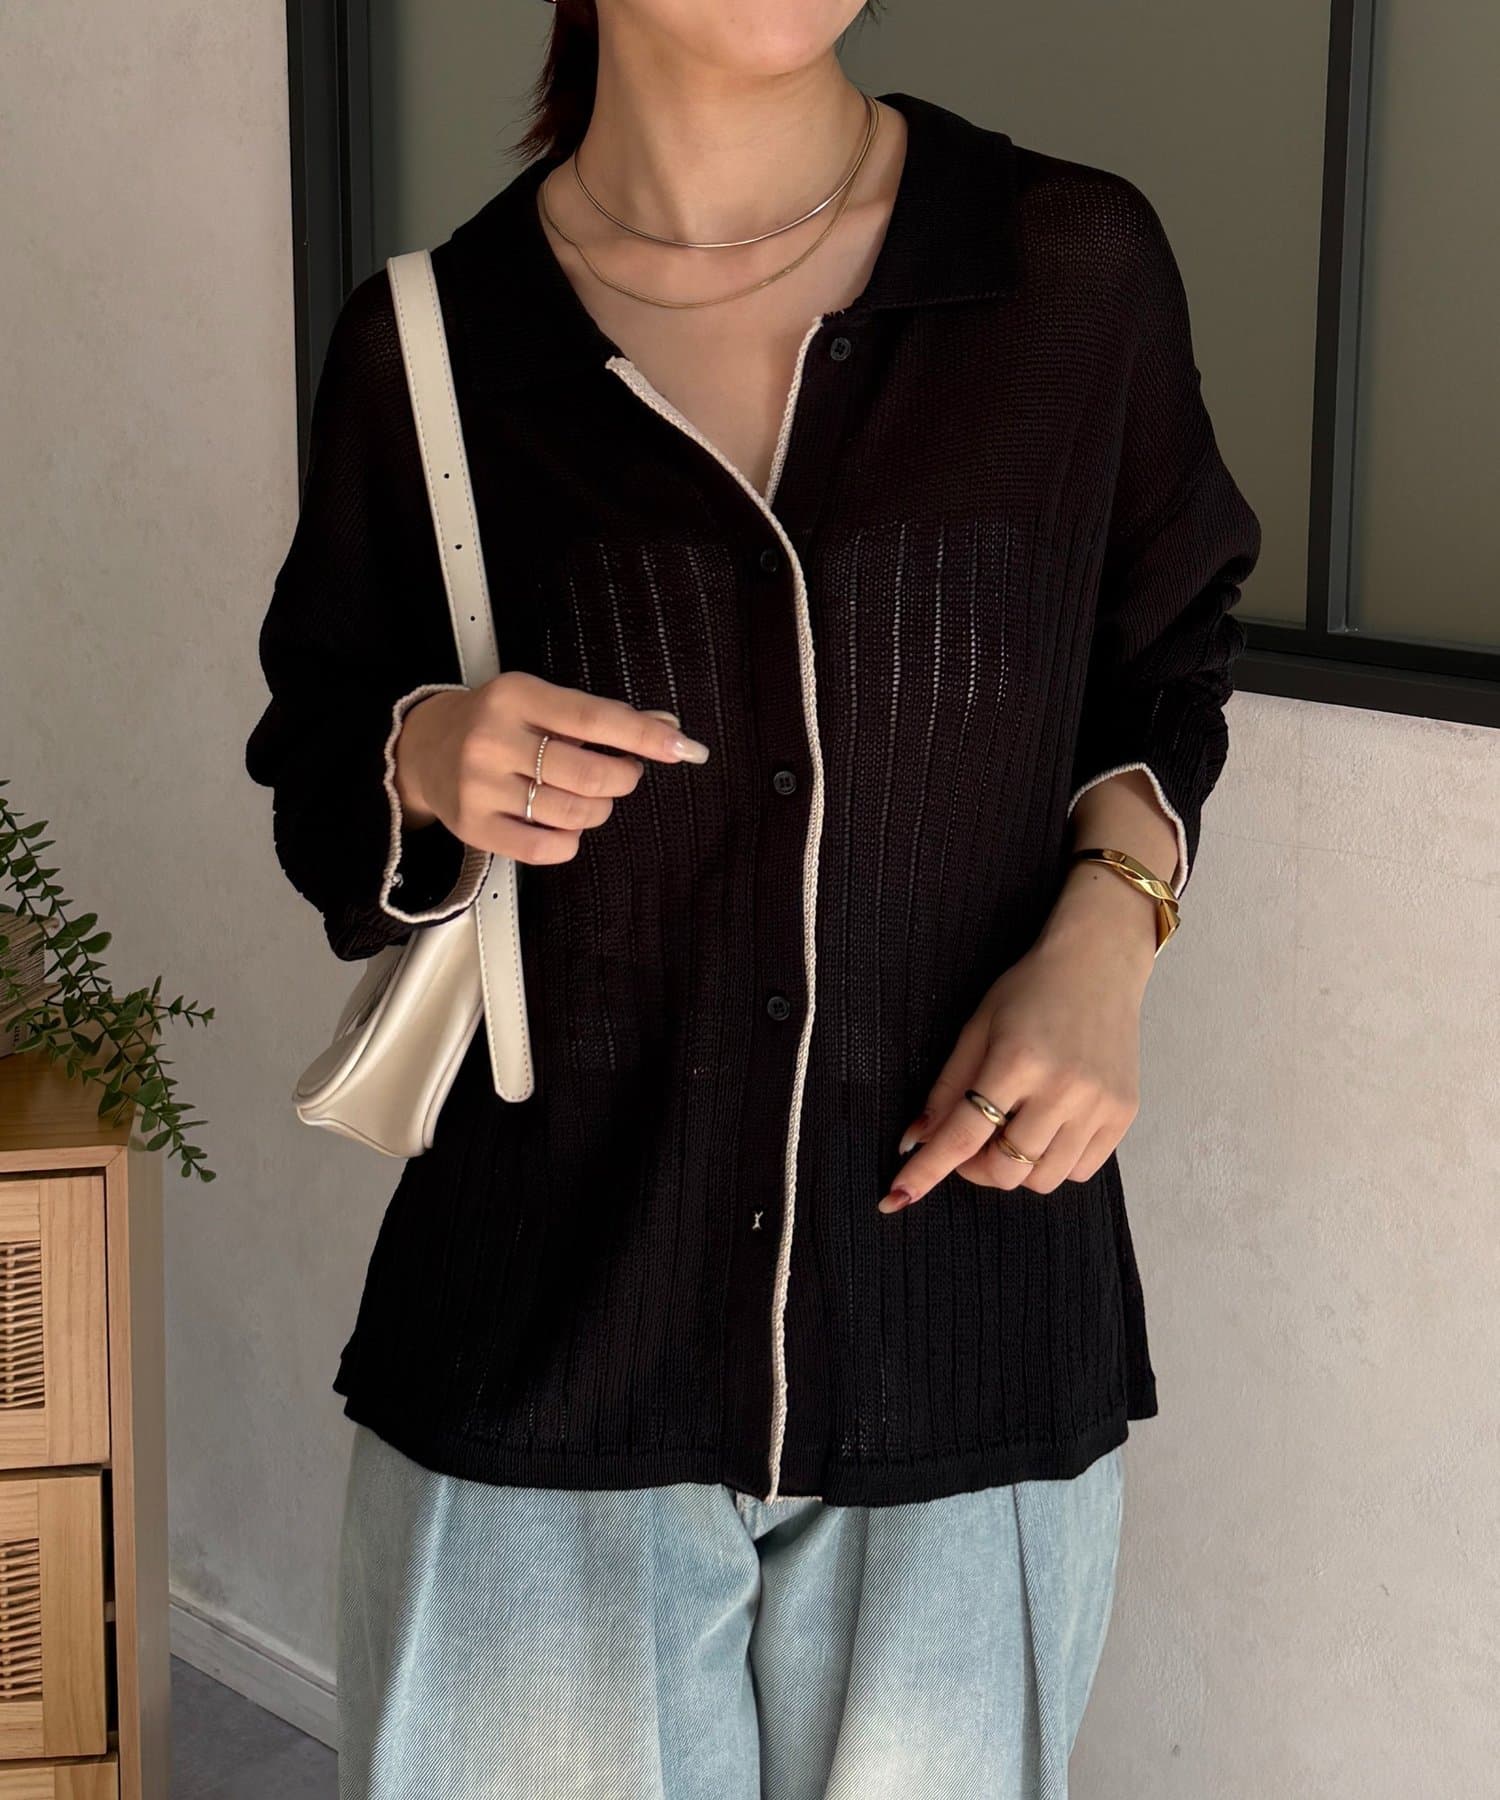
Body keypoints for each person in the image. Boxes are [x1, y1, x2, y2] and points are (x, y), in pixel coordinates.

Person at [244, 2, 1262, 1794]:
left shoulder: (1064, 268)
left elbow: (1163, 668)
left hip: (963, 1308)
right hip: (551, 1326)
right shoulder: (434, 337)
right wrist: (426, 754)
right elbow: (317, 754)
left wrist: (1110, 933)